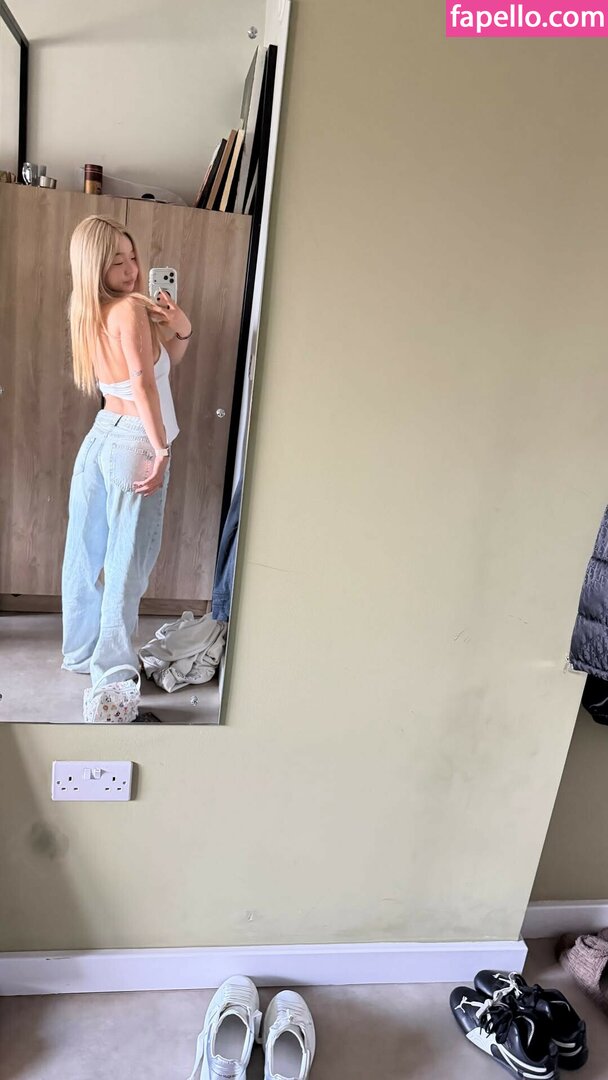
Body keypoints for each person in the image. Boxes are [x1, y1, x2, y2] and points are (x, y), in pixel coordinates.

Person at [61, 214, 193, 690]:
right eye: (117, 261)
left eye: (132, 256)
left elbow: (160, 367)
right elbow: (144, 386)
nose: (131, 269)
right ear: (94, 265)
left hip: (101, 435)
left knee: (84, 551)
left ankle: (80, 654)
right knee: (126, 561)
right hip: (136, 441)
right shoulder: (130, 309)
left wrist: (181, 328)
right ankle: (113, 671)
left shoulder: (87, 310)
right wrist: (161, 450)